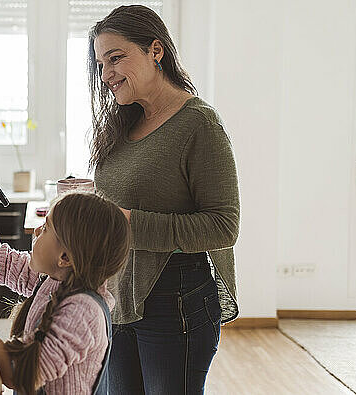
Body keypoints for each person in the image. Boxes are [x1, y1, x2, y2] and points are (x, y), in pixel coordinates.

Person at [88, 5, 241, 394]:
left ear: (156, 50)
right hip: (118, 295)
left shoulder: (199, 123)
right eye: (100, 64)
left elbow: (223, 226)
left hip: (176, 299)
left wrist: (126, 224)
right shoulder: (124, 123)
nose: (106, 75)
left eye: (115, 58)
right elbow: (128, 196)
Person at [0, 158, 130, 394]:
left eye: (46, 227)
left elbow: (19, 375)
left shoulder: (82, 312)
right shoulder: (53, 280)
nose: (37, 230)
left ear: (65, 258)